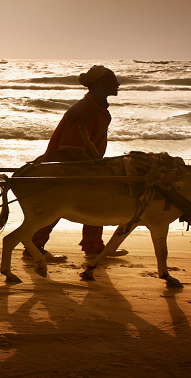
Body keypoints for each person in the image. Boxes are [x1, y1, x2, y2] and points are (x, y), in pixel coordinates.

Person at [26, 65, 125, 260]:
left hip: (78, 165)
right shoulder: (86, 109)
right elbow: (70, 148)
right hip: (63, 167)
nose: (117, 84)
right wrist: (96, 166)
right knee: (61, 206)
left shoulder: (96, 106)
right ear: (99, 84)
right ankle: (34, 247)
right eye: (112, 81)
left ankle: (93, 245)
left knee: (98, 201)